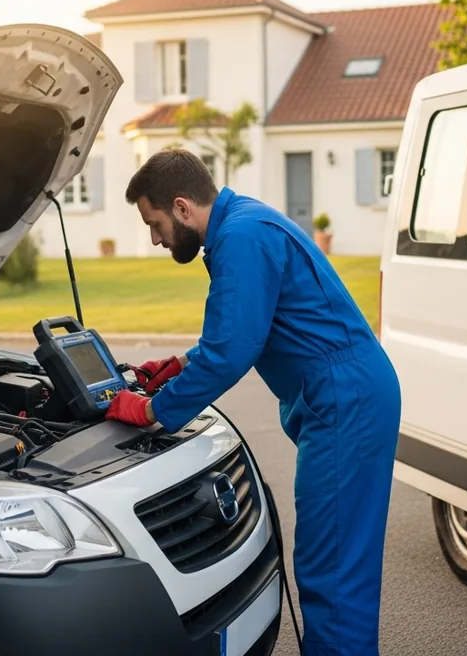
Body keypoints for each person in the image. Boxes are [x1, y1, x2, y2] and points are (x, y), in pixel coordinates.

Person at [104, 149, 401, 656]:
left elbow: (230, 353)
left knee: (331, 568)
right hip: (351, 392)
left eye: (154, 224)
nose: (155, 238)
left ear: (181, 207)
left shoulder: (240, 237)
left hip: (345, 400)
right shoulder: (244, 222)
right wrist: (178, 365)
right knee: (342, 560)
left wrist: (152, 409)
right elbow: (243, 330)